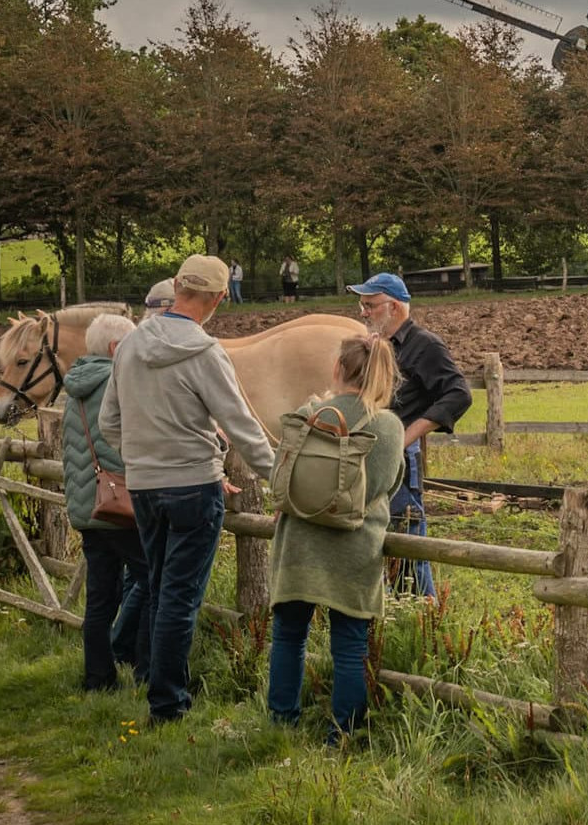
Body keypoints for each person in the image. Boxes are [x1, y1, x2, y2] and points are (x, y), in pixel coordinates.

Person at [100, 255, 274, 724]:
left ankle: (156, 683)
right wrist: (281, 477)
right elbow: (241, 425)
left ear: (177, 285)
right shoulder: (205, 352)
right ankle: (168, 702)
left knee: (159, 586)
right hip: (193, 484)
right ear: (219, 298)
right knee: (180, 596)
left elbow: (108, 421)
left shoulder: (131, 345)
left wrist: (142, 454)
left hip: (144, 485)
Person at [267, 335, 405, 742]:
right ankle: (342, 733)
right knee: (349, 648)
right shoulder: (388, 427)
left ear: (337, 369)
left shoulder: (308, 414)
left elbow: (283, 474)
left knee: (288, 639)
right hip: (353, 552)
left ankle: (281, 723)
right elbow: (386, 485)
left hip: (298, 546)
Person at [348, 272, 472, 597]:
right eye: (362, 304)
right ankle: (391, 627)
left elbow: (459, 394)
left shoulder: (425, 345)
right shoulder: (377, 347)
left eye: (370, 305)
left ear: (395, 307)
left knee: (408, 557)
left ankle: (424, 629)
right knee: (377, 551)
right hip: (370, 463)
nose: (363, 312)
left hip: (401, 466)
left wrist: (407, 436)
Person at [61, 313, 149, 692]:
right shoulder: (118, 381)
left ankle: (98, 677)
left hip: (87, 508)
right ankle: (148, 669)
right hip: (119, 504)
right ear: (116, 349)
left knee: (100, 596)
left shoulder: (75, 387)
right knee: (154, 579)